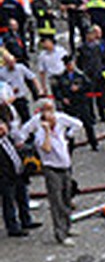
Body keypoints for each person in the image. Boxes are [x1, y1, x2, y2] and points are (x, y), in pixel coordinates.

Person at [18, 97, 83, 245]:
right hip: (51, 168)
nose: (52, 115)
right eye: (47, 112)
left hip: (65, 165)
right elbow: (45, 147)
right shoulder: (40, 132)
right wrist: (46, 131)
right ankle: (60, 233)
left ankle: (68, 226)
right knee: (56, 201)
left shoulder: (60, 121)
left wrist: (69, 134)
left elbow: (78, 124)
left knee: (66, 198)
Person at [0, 116, 36, 237]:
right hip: (6, 178)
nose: (2, 128)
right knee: (9, 202)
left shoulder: (8, 139)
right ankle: (13, 227)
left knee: (23, 197)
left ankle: (26, 220)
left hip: (18, 173)